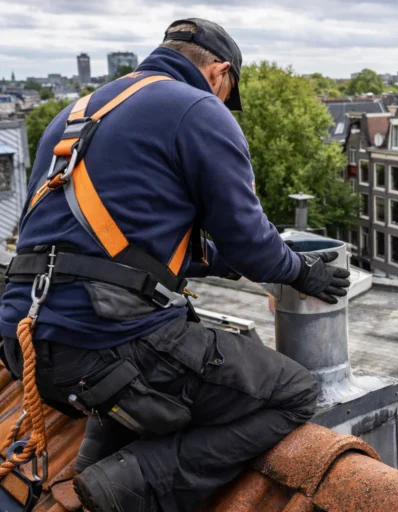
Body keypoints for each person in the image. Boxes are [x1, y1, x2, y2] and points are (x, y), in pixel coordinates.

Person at [0, 18, 350, 512]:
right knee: (292, 392)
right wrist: (298, 270)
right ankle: (136, 482)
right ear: (219, 73)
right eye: (229, 95)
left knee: (122, 354)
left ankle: (88, 472)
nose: (226, 107)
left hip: (27, 344)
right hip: (106, 345)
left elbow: (116, 246)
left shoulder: (74, 113)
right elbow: (252, 242)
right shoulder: (199, 109)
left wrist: (221, 262)